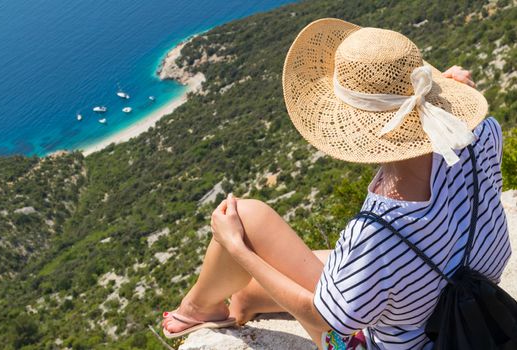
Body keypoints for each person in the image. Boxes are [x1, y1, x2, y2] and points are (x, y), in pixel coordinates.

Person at [163, 18, 511, 349]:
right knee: (353, 266)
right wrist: (448, 105)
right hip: (468, 302)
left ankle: (202, 307)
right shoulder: (484, 132)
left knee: (244, 217)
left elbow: (323, 321)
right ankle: (243, 298)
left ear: (362, 128)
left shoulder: (376, 233)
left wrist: (235, 246)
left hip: (417, 336)